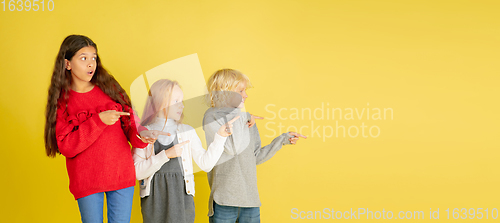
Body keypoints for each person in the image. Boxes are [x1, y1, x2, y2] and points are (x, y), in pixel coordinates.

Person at [44, 34, 164, 223]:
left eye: (94, 58)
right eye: (83, 58)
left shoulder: (110, 90)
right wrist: (98, 121)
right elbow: (66, 146)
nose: (91, 63)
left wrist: (143, 135)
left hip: (121, 175)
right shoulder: (62, 103)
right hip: (86, 181)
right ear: (67, 64)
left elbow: (131, 127)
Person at [203, 68, 307, 223]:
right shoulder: (212, 116)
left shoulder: (246, 120)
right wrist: (242, 115)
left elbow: (255, 157)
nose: (246, 95)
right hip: (224, 200)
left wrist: (282, 140)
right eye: (241, 90)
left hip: (250, 201)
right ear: (225, 92)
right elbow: (232, 149)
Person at [132, 79, 239, 223]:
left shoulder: (187, 131)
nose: (182, 105)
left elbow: (206, 164)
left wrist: (220, 137)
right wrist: (166, 155)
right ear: (160, 102)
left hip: (182, 199)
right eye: (176, 100)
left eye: (181, 100)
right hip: (154, 201)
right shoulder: (144, 133)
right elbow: (137, 172)